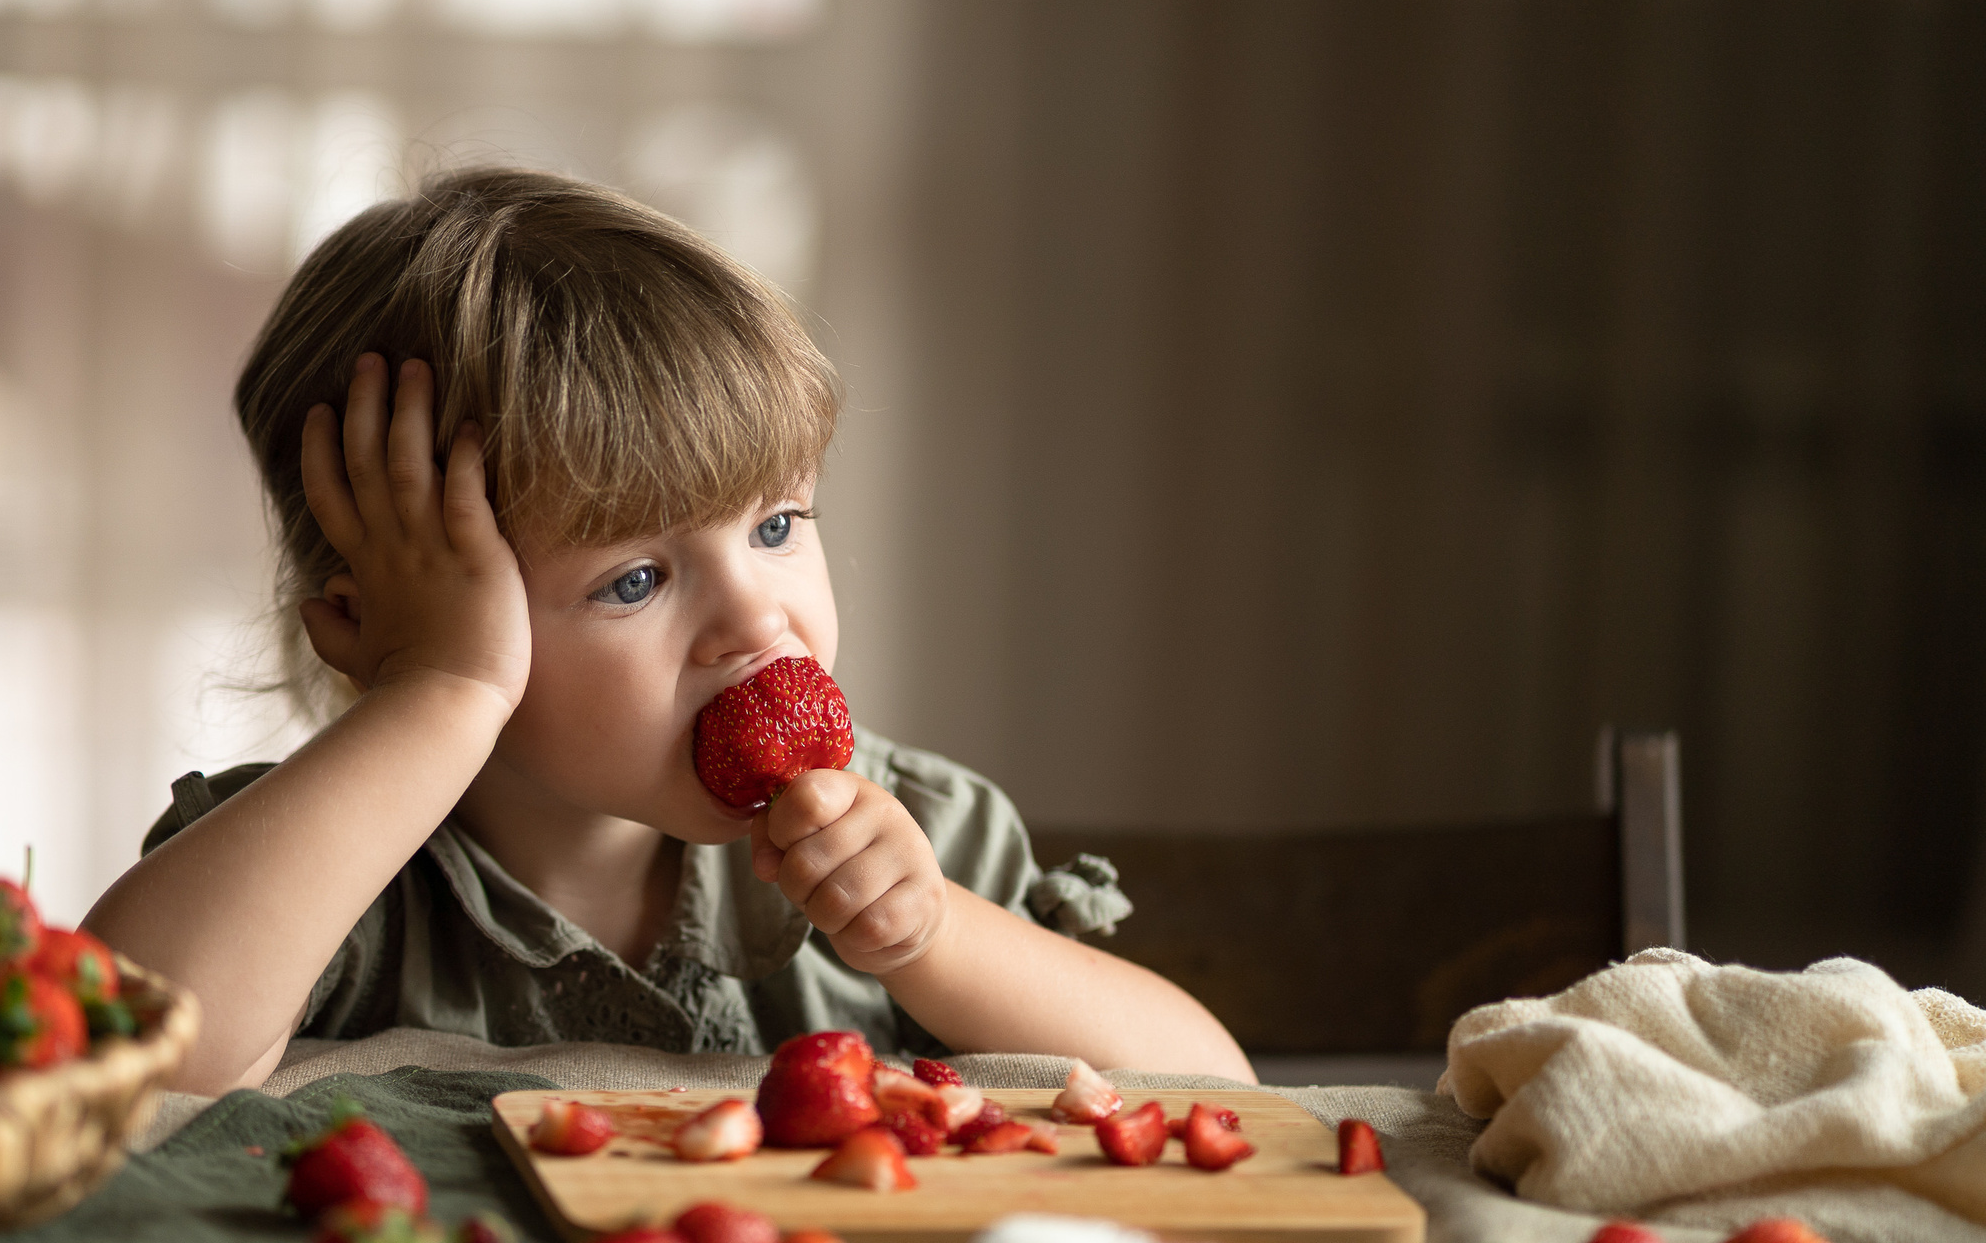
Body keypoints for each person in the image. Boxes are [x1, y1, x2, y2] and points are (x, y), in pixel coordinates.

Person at [85, 168, 1253, 1095]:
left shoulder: (918, 834)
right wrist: (441, 689)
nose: (755, 615)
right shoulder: (327, 876)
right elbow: (126, 1057)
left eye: (776, 525)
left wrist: (932, 936)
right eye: (634, 579)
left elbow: (1214, 1088)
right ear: (365, 617)